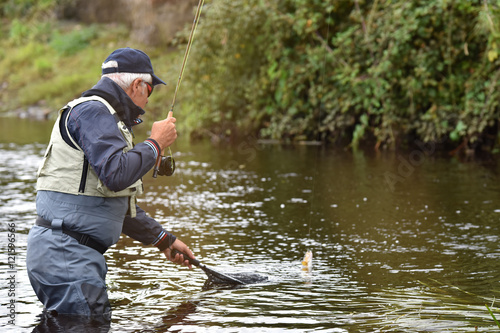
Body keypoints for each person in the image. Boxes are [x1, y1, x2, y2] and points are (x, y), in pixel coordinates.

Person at [26, 47, 195, 319]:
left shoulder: (100, 117)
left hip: (64, 255)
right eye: (150, 90)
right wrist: (155, 143)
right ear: (138, 84)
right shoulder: (94, 112)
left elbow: (109, 203)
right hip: (68, 257)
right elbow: (115, 175)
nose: (149, 99)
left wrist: (163, 240)